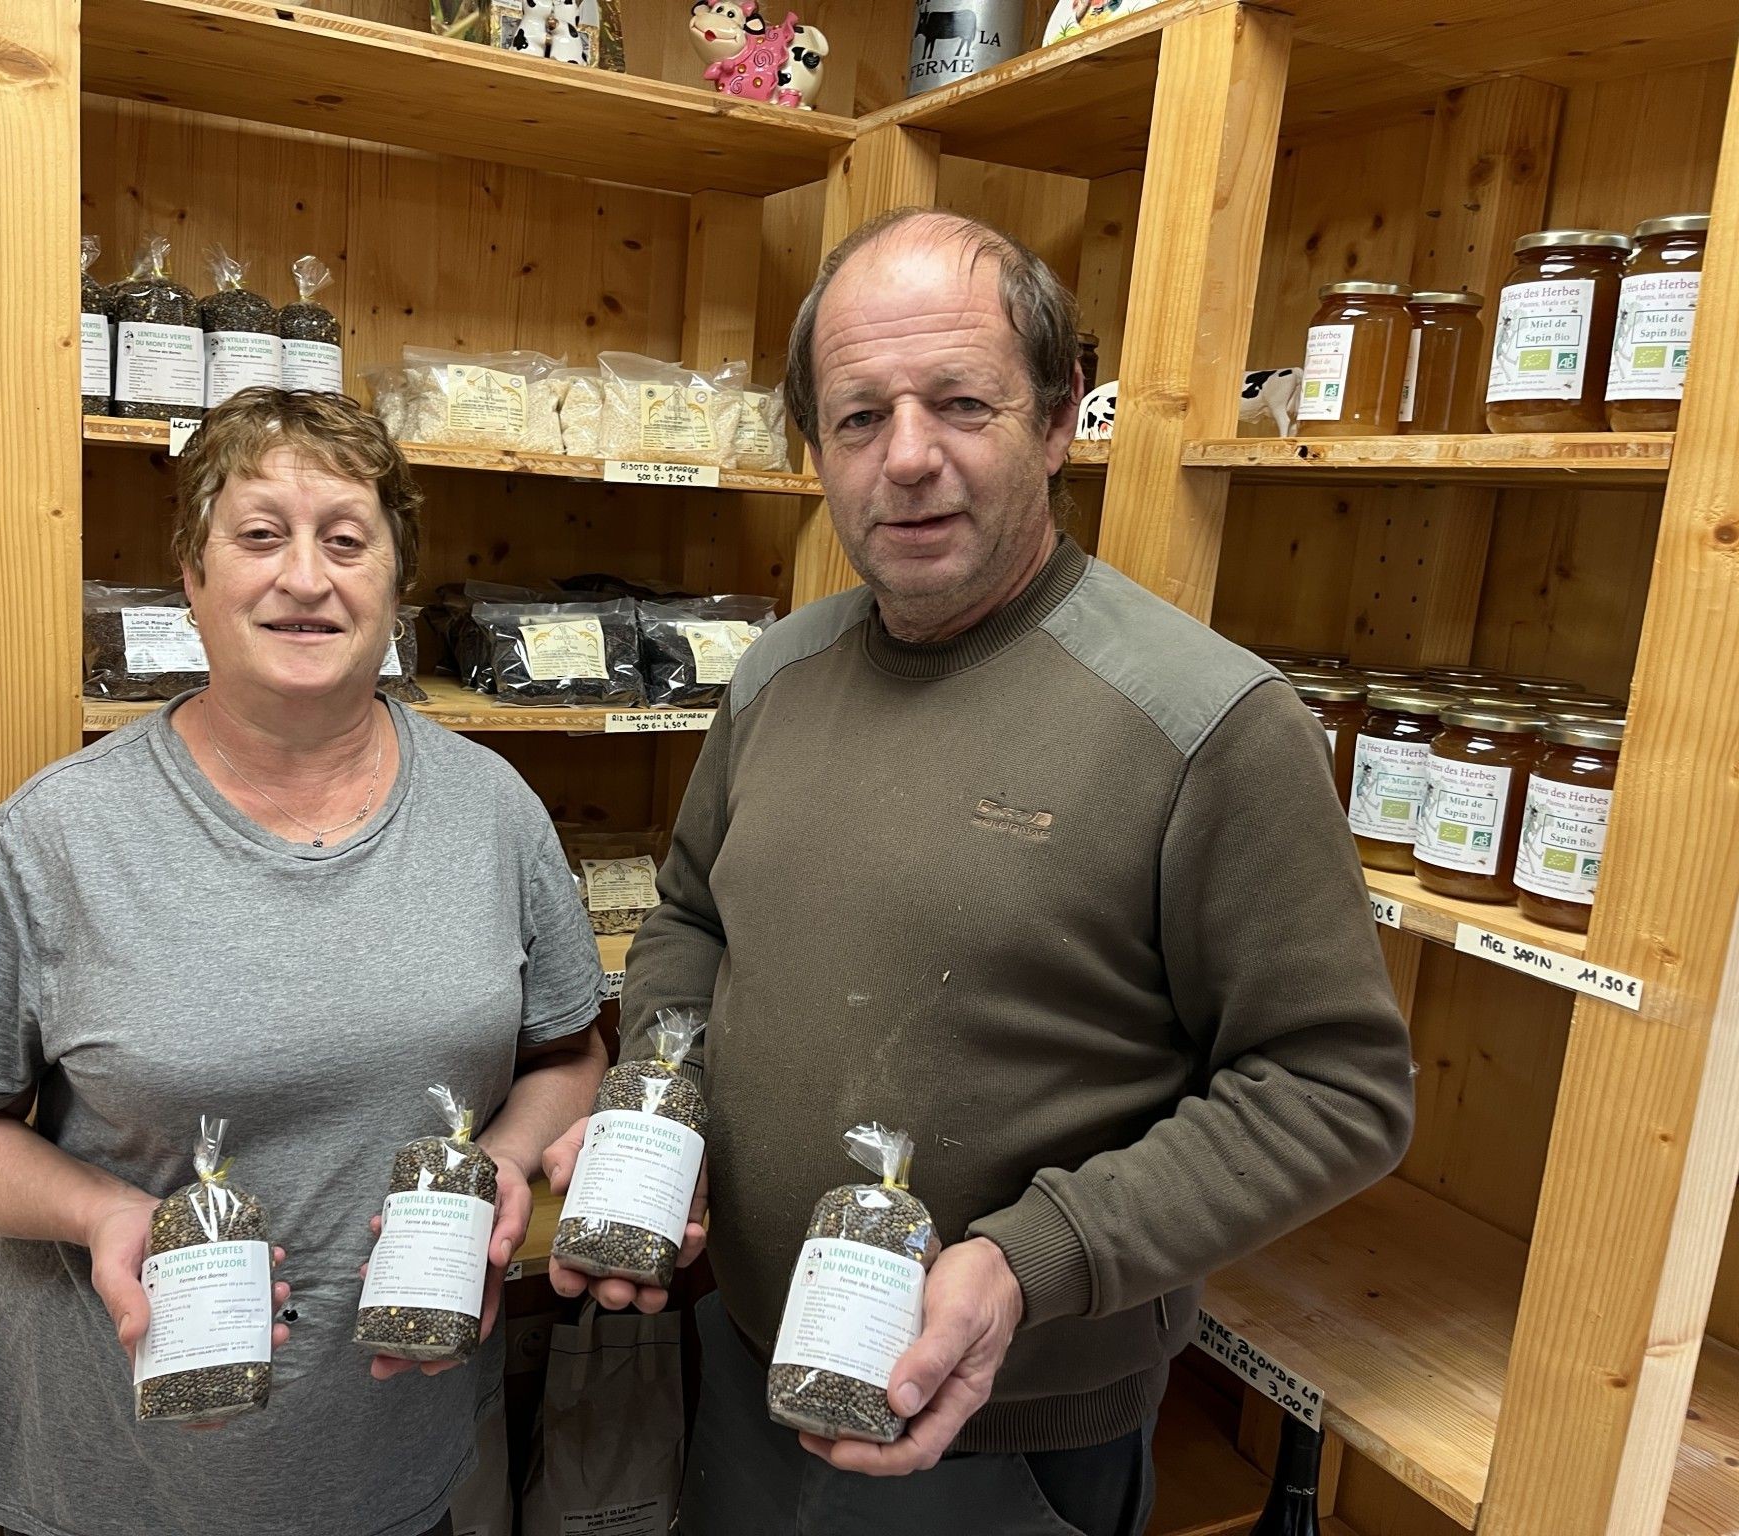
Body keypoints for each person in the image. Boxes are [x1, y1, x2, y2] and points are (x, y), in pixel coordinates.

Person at [545, 210, 1415, 1535]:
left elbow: (1336, 1088)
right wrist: (666, 1108)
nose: (908, 459)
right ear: (816, 448)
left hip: (998, 1442)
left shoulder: (1207, 724)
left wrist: (1036, 1256)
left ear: (1060, 418)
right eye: (857, 417)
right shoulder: (778, 674)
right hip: (747, 1357)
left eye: (961, 403)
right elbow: (692, 916)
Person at [0, 388, 605, 1536]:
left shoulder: (492, 811)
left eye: (345, 540)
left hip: (396, 1473)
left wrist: (505, 1169)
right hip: (115, 1487)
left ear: (393, 585)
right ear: (192, 577)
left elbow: (569, 1055)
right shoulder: (58, 836)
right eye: (259, 535)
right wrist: (104, 1215)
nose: (305, 579)